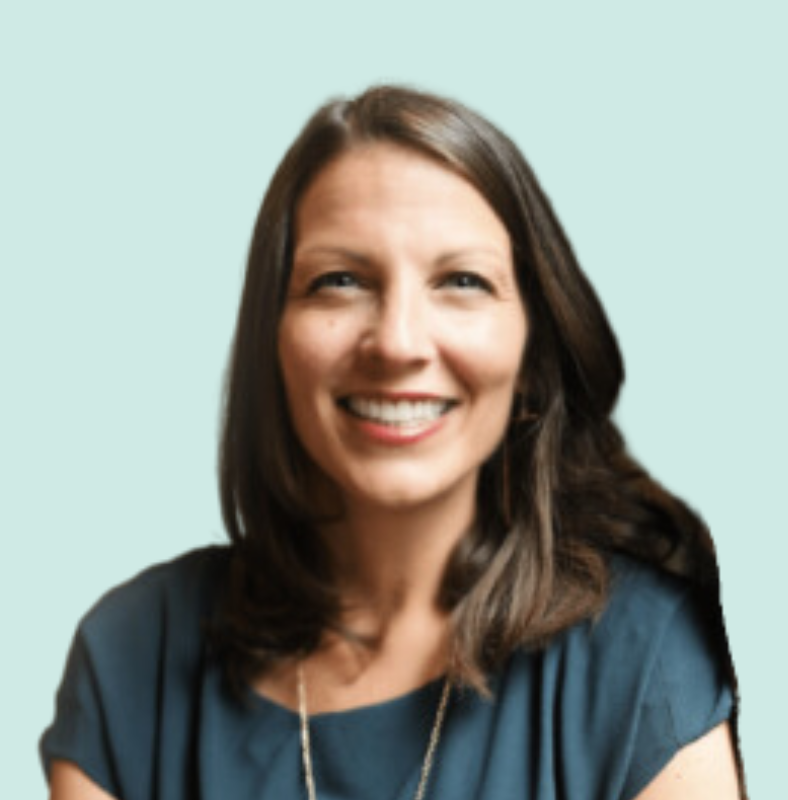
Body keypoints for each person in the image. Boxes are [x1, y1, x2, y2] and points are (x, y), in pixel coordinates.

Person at [41, 85, 745, 800]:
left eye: (462, 281)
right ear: (271, 341)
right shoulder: (131, 654)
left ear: (533, 357)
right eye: (340, 281)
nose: (398, 342)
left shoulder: (647, 665)